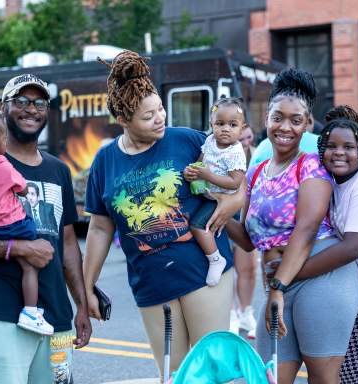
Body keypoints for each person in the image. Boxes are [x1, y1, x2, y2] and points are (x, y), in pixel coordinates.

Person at [83, 50, 244, 379]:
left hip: (203, 272)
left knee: (212, 372)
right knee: (174, 374)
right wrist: (87, 288)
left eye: (159, 109)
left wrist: (235, 200)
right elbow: (100, 229)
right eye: (148, 116)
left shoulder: (186, 140)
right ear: (123, 120)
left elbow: (238, 166)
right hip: (151, 283)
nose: (159, 118)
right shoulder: (104, 161)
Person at [227, 68, 358, 383]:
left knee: (323, 379)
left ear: (307, 125)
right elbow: (247, 240)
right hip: (280, 280)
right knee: (267, 377)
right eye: (278, 117)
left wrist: (278, 286)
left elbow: (305, 230)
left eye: (295, 120)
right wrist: (206, 213)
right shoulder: (256, 172)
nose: (285, 127)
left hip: (322, 276)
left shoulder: (312, 165)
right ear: (266, 118)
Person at [0, 74, 91, 384]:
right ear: (3, 108)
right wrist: (19, 248)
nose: (32, 109)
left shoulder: (58, 170)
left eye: (39, 102)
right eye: (22, 101)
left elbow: (68, 242)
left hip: (55, 317)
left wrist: (80, 304)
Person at [288, 107, 358, 384]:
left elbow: (353, 246)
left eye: (349, 147)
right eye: (331, 146)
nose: (339, 152)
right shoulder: (329, 183)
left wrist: (295, 272)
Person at [0, 108, 54, 336]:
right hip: (13, 225)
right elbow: (21, 189)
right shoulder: (2, 164)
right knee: (29, 264)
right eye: (3, 136)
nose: (7, 141)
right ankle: (31, 312)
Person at [185, 97, 246, 287]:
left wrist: (208, 175)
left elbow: (235, 183)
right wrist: (193, 171)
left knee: (198, 226)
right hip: (206, 192)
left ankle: (216, 259)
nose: (225, 128)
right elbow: (201, 160)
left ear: (242, 128)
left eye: (232, 124)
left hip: (220, 198)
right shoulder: (210, 140)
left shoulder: (235, 153)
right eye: (220, 123)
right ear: (211, 124)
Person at [230, 123, 258, 338]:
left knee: (247, 269)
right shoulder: (222, 155)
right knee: (227, 270)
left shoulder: (257, 157)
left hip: (247, 221)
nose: (245, 142)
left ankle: (246, 312)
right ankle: (231, 314)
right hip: (225, 219)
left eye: (248, 138)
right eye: (241, 138)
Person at [249, 113, 320, 166]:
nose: (285, 128)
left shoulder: (261, 148)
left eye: (295, 121)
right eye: (277, 119)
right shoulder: (321, 144)